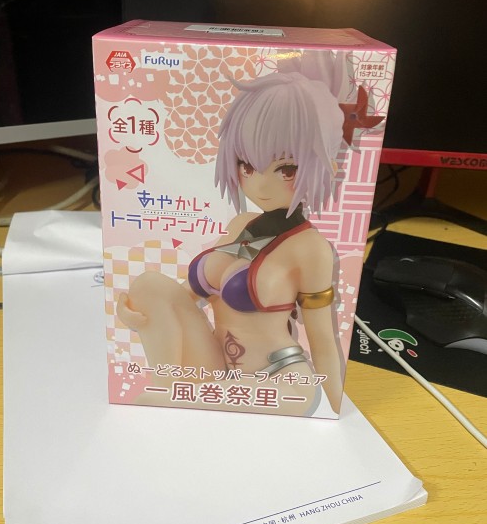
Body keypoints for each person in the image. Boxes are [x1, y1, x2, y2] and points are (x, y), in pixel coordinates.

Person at [117, 54, 354, 416]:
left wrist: (337, 413)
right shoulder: (240, 223)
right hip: (217, 366)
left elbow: (323, 342)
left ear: (324, 166)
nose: (260, 184)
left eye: (286, 169)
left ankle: (171, 398)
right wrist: (138, 313)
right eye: (247, 165)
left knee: (151, 402)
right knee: (150, 285)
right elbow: (185, 297)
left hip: (278, 379)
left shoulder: (311, 249)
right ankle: (169, 386)